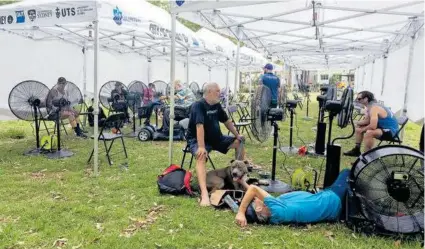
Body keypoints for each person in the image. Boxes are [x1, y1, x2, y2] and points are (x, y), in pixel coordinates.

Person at [187, 82, 245, 206]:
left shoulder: (217, 105)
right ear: (209, 92)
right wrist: (201, 147)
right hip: (198, 140)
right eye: (218, 91)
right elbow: (199, 126)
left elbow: (227, 121)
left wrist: (237, 135)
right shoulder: (198, 105)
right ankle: (204, 194)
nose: (220, 93)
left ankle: (239, 178)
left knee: (239, 143)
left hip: (216, 138)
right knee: (201, 156)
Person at [235, 169, 350, 227]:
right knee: (347, 171)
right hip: (334, 200)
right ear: (259, 209)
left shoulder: (279, 208)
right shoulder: (277, 211)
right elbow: (254, 189)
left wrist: (243, 183)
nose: (256, 198)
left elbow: (254, 191)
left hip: (330, 199)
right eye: (255, 200)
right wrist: (240, 212)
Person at [343, 91, 399, 157]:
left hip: (391, 131)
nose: (357, 100)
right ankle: (356, 151)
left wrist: (363, 129)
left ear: (366, 99)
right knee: (358, 129)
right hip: (382, 128)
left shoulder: (374, 108)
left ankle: (368, 157)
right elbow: (367, 121)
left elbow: (373, 126)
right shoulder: (370, 107)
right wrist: (353, 122)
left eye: (359, 99)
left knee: (369, 132)